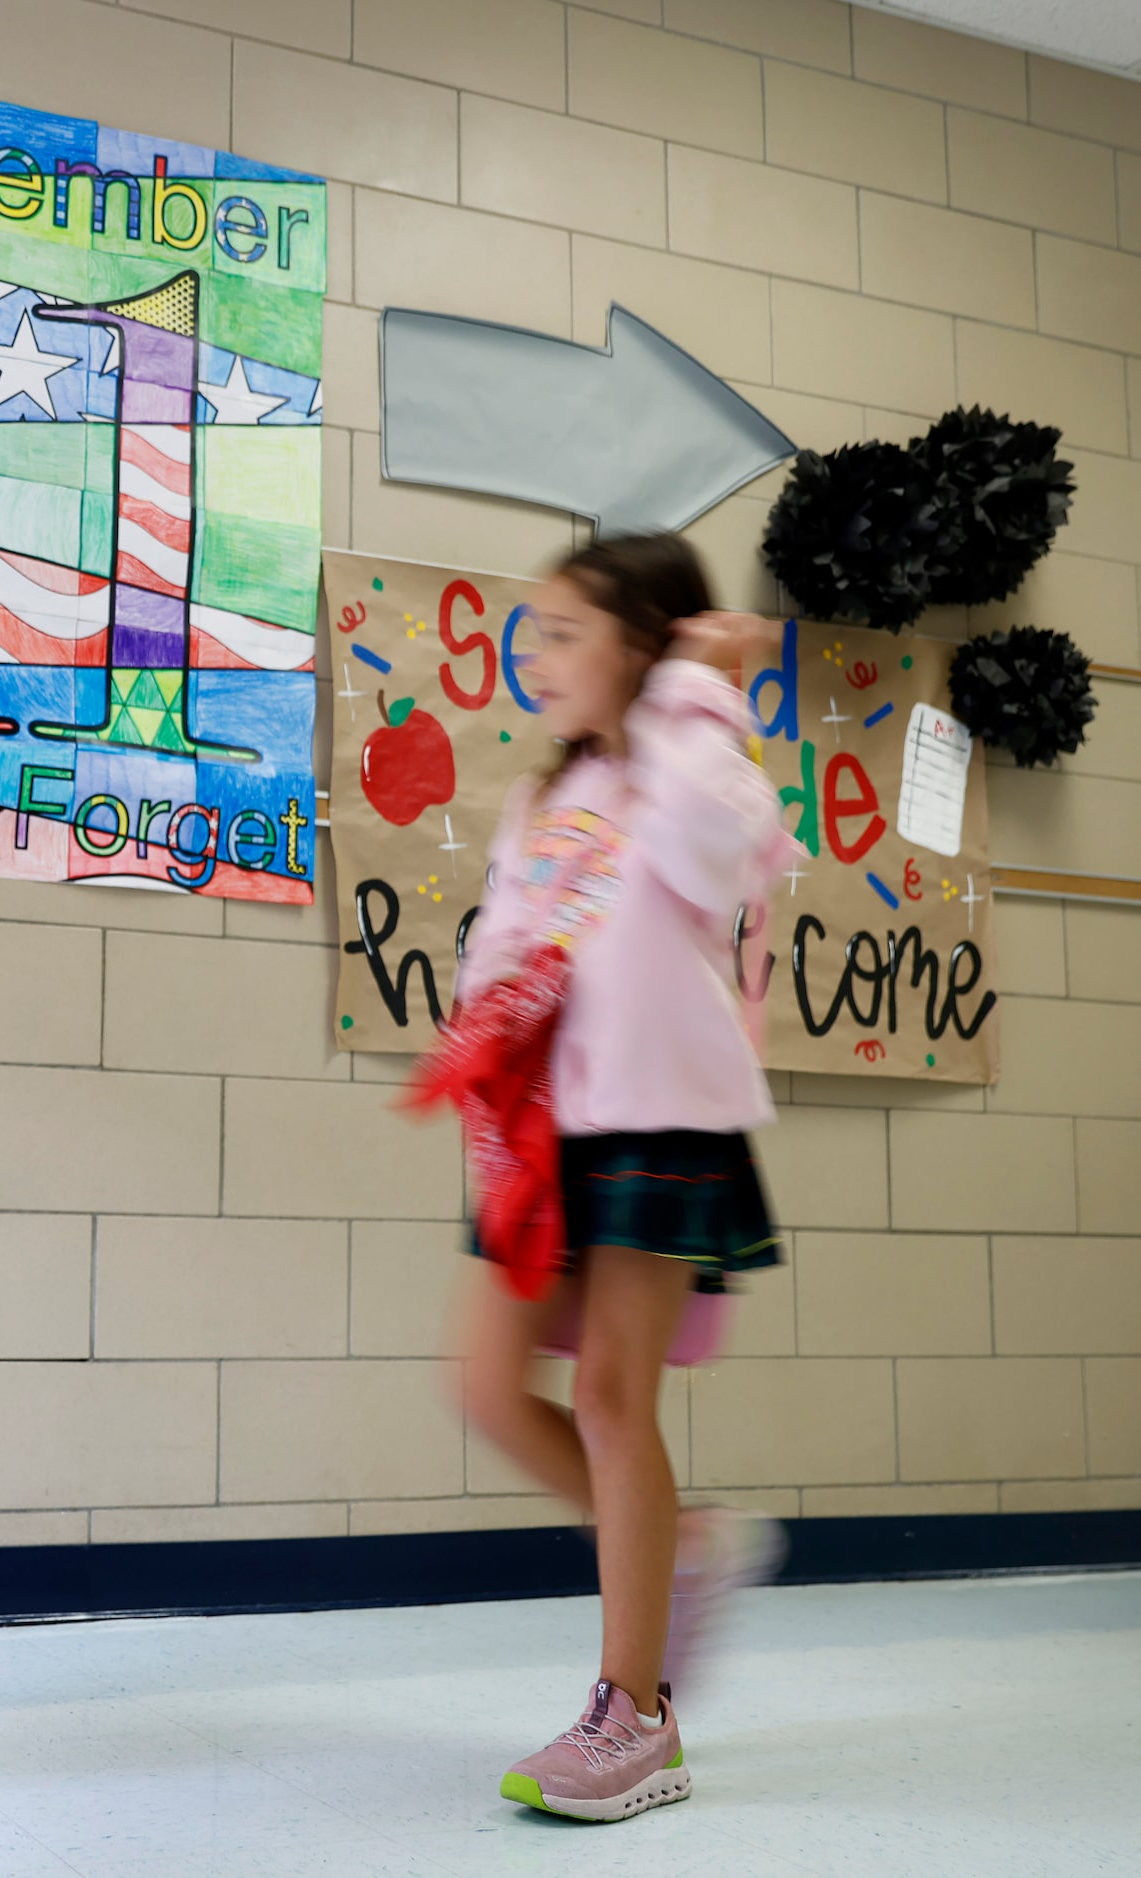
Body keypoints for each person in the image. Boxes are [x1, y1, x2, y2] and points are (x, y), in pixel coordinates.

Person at [434, 535, 790, 1823]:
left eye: (567, 632)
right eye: (537, 632)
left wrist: (702, 691)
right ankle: (685, 1547)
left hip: (655, 1121)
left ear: (644, 642)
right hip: (540, 1128)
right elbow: (504, 942)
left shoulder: (702, 766)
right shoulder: (548, 793)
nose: (539, 655)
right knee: (482, 1385)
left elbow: (711, 852)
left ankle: (635, 1718)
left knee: (608, 1397)